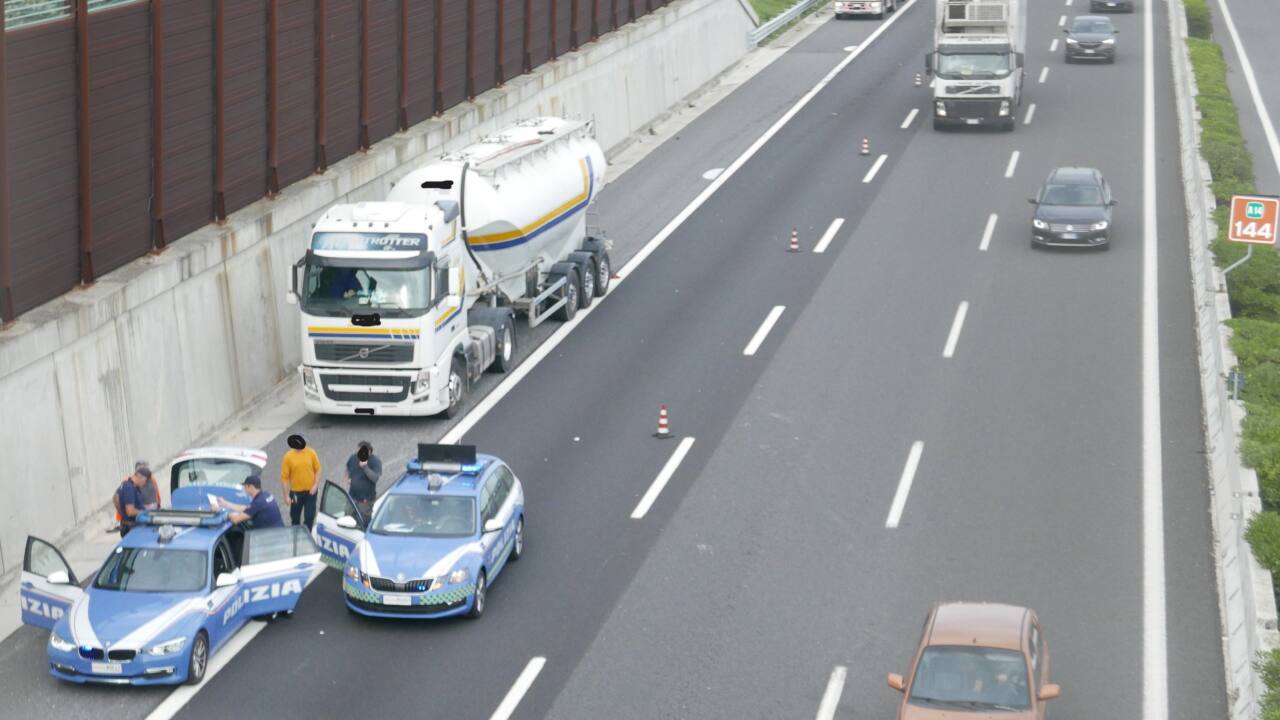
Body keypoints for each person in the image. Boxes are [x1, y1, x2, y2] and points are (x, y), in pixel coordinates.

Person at [281, 434, 321, 530]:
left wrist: (315, 485)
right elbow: (284, 478)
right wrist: (286, 496)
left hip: (310, 492)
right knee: (295, 517)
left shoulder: (311, 453)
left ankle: (308, 536)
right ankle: (296, 536)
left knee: (310, 516)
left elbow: (318, 469)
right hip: (295, 493)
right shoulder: (288, 457)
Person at [216, 476, 284, 528]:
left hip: (269, 537)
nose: (244, 489)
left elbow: (236, 520)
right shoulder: (265, 495)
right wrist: (225, 504)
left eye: (245, 487)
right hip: (279, 531)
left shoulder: (258, 502)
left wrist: (225, 514)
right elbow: (247, 508)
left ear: (250, 487)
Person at [345, 440, 383, 521]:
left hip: (365, 500)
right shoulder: (353, 457)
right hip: (352, 496)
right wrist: (347, 478)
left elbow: (375, 478)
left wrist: (365, 467)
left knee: (362, 520)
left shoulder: (375, 461)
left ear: (369, 451)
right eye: (358, 451)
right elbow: (348, 468)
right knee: (347, 518)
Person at [113, 467, 151, 537]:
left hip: (130, 526)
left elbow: (115, 497)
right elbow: (130, 511)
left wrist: (122, 513)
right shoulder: (129, 487)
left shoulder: (128, 484)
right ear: (140, 476)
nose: (145, 483)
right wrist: (144, 512)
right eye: (145, 480)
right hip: (132, 528)